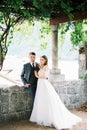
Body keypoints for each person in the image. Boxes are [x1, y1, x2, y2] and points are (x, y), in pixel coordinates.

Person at [30, 55, 82, 130]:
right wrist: (38, 69)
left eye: (42, 60)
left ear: (45, 61)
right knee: (41, 99)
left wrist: (36, 75)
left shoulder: (46, 67)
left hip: (44, 83)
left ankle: (50, 117)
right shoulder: (41, 67)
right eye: (40, 59)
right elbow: (41, 71)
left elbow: (45, 77)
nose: (41, 61)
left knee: (47, 99)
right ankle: (43, 116)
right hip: (40, 84)